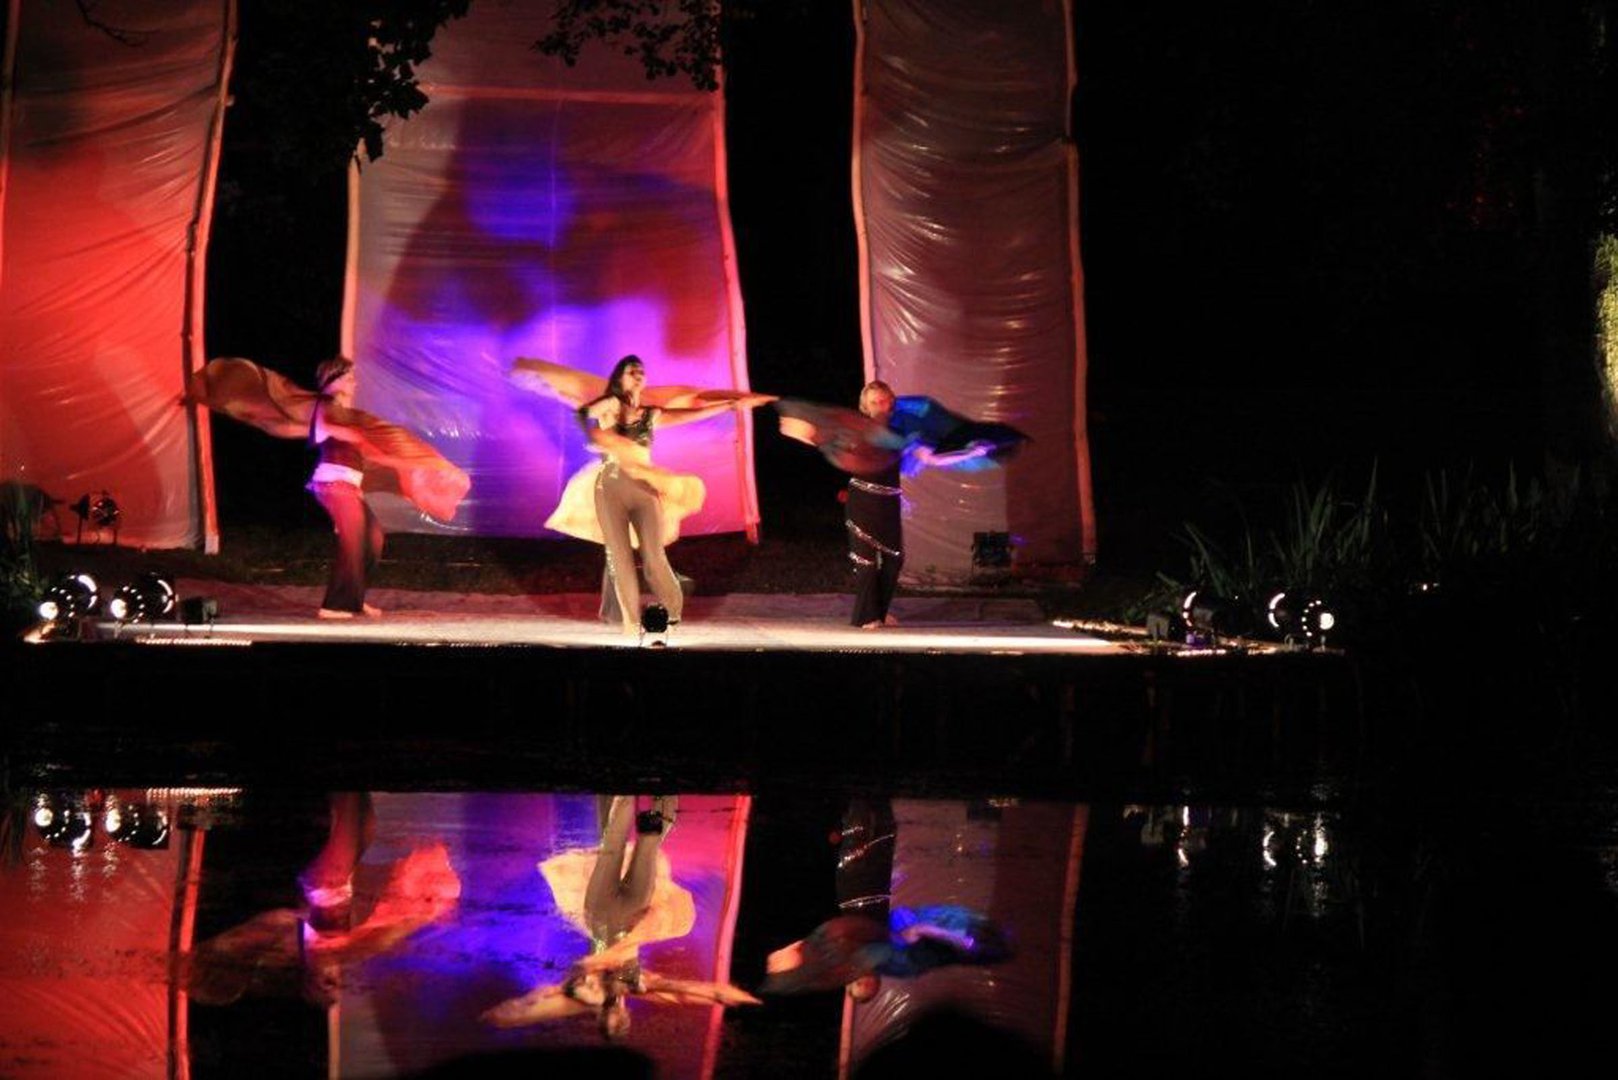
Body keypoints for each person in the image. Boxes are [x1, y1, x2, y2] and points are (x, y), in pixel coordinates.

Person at [572, 356, 771, 635]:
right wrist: (592, 438)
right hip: (610, 485)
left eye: (641, 371)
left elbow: (692, 413)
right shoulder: (612, 404)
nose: (638, 374)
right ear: (619, 378)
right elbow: (582, 413)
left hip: (644, 486)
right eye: (631, 371)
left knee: (654, 557)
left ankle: (673, 616)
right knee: (619, 557)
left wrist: (730, 405)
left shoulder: (651, 414)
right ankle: (631, 624)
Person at [844, 381, 996, 629]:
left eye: (883, 401)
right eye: (874, 402)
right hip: (863, 501)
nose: (879, 406)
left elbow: (932, 458)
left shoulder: (903, 434)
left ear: (891, 403)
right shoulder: (859, 430)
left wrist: (971, 453)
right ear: (865, 407)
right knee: (866, 561)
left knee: (894, 559)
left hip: (889, 503)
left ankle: (879, 612)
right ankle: (866, 616)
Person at [307, 357, 383, 619]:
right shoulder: (324, 406)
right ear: (333, 380)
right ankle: (333, 605)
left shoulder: (343, 412)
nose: (355, 382)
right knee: (352, 542)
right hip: (333, 485)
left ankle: (353, 599)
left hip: (349, 487)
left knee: (373, 539)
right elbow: (334, 431)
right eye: (349, 378)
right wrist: (359, 434)